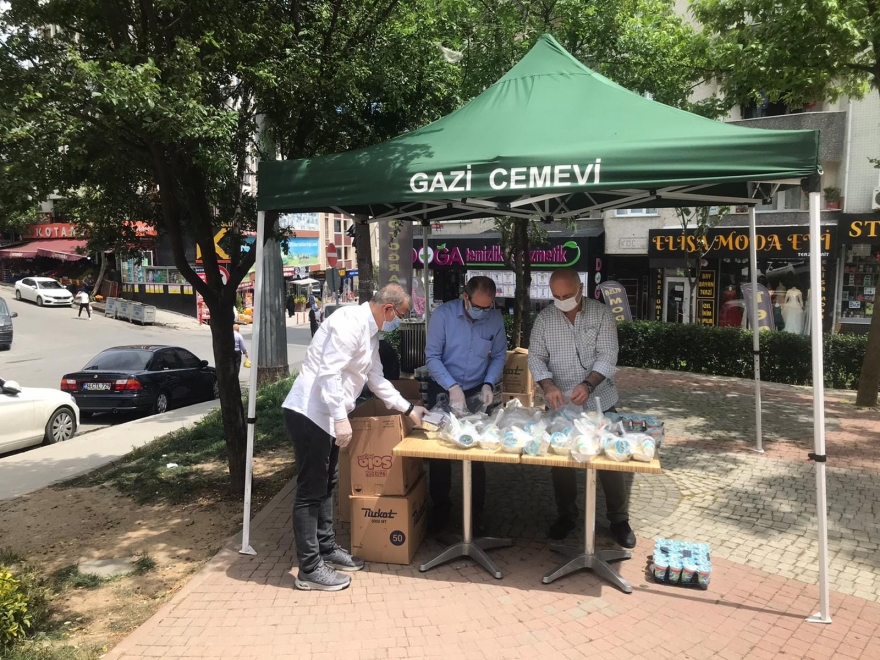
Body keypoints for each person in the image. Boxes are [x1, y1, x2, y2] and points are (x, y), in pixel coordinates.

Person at [282, 284, 428, 591]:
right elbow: (328, 373)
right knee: (310, 491)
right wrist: (338, 416)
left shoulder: (370, 334)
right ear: (388, 309)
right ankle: (309, 569)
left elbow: (375, 379)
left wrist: (409, 408)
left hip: (329, 416)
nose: (399, 322)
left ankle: (327, 548)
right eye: (400, 315)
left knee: (328, 483)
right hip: (311, 413)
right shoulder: (349, 322)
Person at [527, 268, 636, 549]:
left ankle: (619, 519)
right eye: (555, 296)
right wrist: (548, 386)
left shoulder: (601, 314)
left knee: (611, 460)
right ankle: (566, 514)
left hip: (600, 400)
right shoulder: (544, 319)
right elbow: (536, 358)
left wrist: (587, 385)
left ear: (580, 289)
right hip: (560, 404)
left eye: (566, 295)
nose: (561, 300)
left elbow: (608, 354)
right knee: (561, 463)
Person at [424, 276, 507, 534]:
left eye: (488, 307)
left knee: (476, 453)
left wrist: (489, 383)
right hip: (443, 387)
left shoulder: (494, 319)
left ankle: (476, 512)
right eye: (477, 306)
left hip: (476, 390)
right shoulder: (443, 316)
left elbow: (500, 354)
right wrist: (451, 387)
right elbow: (432, 357)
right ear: (465, 297)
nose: (482, 313)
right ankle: (441, 508)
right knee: (440, 454)